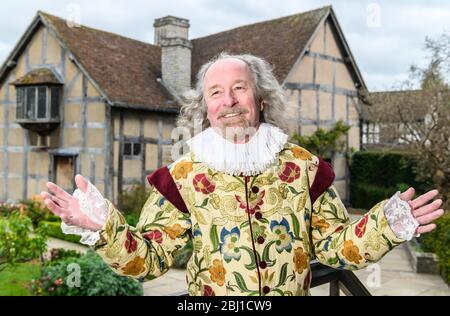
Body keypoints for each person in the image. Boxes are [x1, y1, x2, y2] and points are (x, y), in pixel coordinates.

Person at [41, 53, 444, 296]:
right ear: (205, 106)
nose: (229, 101)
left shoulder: (304, 167)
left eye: (240, 88)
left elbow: (336, 248)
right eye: (216, 92)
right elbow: (149, 261)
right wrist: (104, 228)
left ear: (262, 99)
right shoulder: (181, 176)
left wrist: (386, 225)